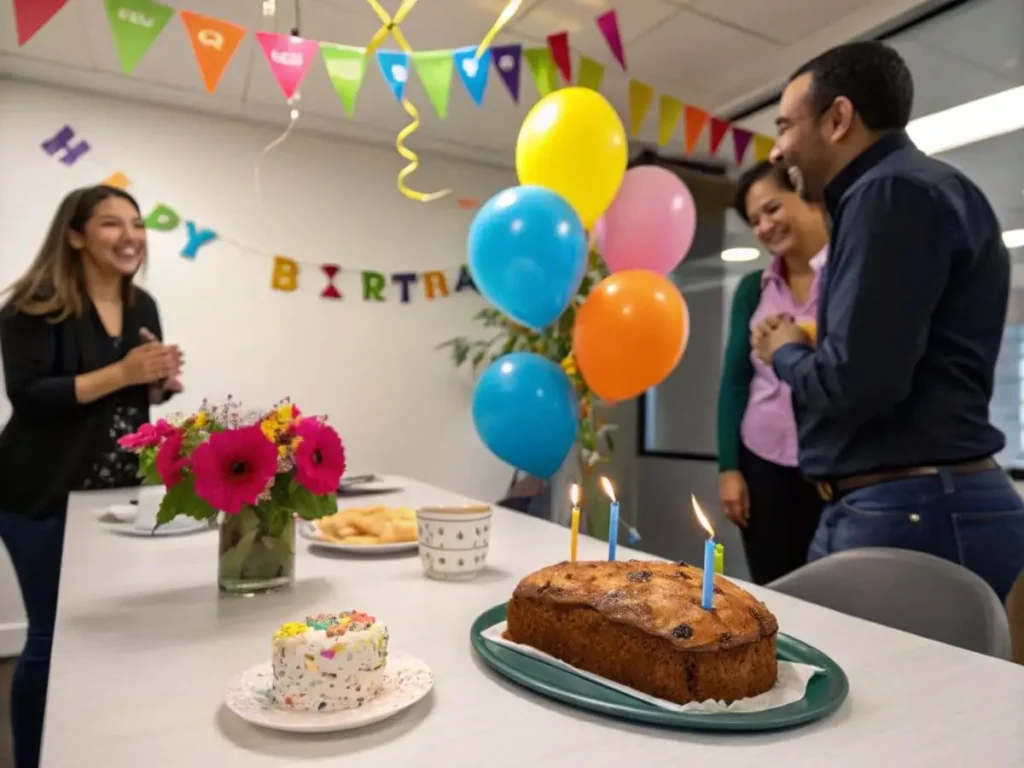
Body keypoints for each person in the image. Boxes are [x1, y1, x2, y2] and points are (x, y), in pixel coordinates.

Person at [752, 40, 1024, 602]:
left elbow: (856, 383)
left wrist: (785, 349)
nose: (777, 152)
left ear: (838, 118)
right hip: (919, 504)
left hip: (909, 510)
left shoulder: (888, 194)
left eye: (784, 127)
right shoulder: (918, 189)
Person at [0, 185, 183, 768]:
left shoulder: (143, 306)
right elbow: (30, 399)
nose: (130, 235)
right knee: (52, 641)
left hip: (116, 498)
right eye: (111, 224)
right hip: (40, 494)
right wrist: (123, 370)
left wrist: (155, 382)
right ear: (75, 236)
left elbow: (131, 398)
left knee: (110, 636)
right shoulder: (31, 304)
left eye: (136, 223)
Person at [718, 161, 829, 585]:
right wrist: (729, 468)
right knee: (772, 586)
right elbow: (734, 381)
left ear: (804, 195)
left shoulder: (845, 273)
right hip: (761, 458)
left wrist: (799, 341)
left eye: (771, 209)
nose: (764, 227)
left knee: (832, 588)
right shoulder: (753, 289)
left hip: (830, 463)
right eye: (754, 221)